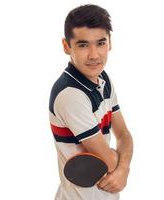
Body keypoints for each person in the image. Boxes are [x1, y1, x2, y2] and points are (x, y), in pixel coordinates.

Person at [49, 4, 133, 200]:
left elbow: (124, 135)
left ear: (110, 43)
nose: (94, 55)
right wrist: (119, 164)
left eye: (101, 43)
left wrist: (124, 169)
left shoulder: (103, 79)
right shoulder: (70, 94)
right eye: (83, 44)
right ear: (66, 46)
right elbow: (109, 161)